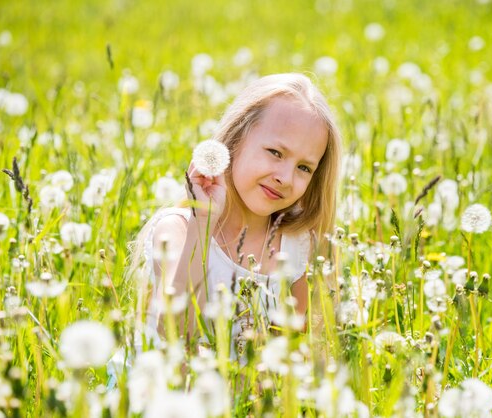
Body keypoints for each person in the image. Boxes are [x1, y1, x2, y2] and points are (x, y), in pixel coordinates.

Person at [129, 72, 342, 355]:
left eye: (304, 168)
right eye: (276, 153)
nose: (286, 178)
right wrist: (202, 222)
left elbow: (296, 356)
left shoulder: (297, 249)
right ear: (235, 140)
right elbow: (177, 337)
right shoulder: (177, 231)